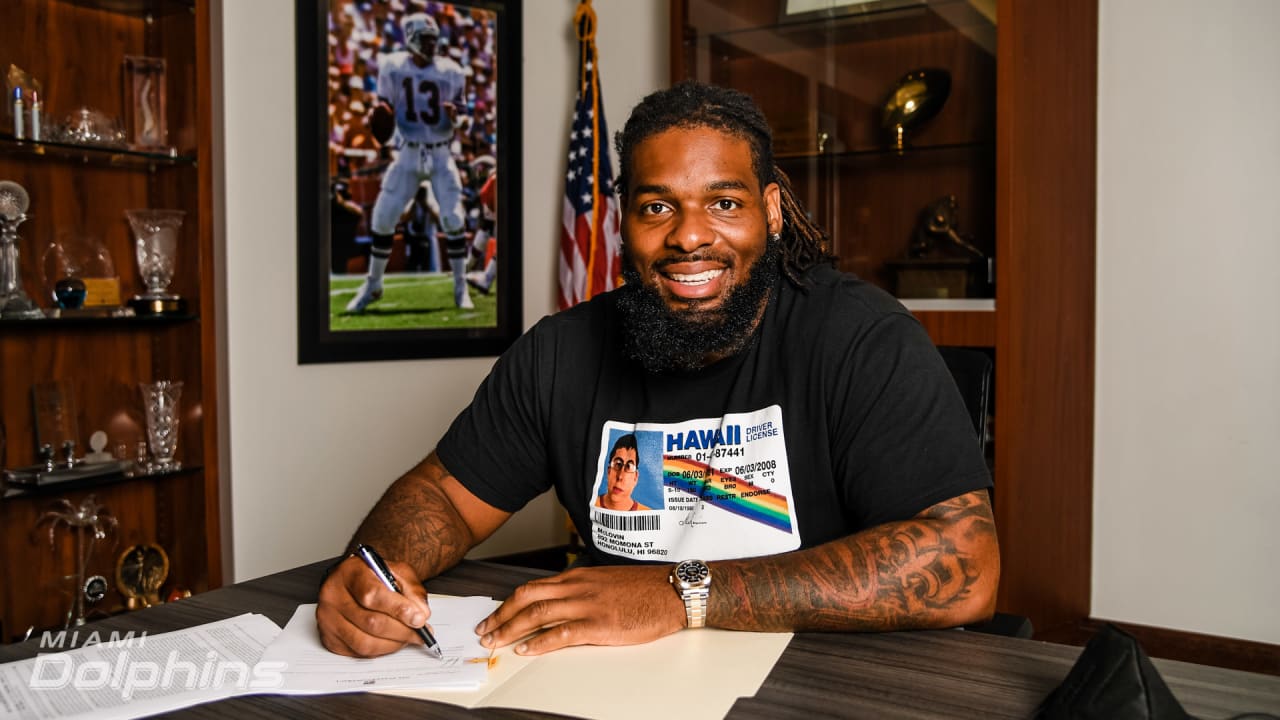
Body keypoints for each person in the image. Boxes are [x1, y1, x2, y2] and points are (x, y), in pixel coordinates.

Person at [317, 81, 999, 659]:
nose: (690, 234)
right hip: (614, 683)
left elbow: (964, 563)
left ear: (770, 212)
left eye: (724, 203)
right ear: (624, 224)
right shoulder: (562, 353)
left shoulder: (862, 338)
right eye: (657, 207)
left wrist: (682, 591)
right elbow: (440, 497)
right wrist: (377, 570)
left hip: (813, 679)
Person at [346, 11, 474, 314]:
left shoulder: (452, 70)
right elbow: (384, 109)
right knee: (382, 218)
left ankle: (460, 286)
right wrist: (375, 118)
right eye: (425, 40)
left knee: (454, 219)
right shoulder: (392, 66)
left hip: (442, 152)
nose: (431, 46)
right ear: (411, 40)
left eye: (433, 40)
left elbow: (466, 120)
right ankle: (373, 284)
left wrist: (459, 119)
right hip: (408, 152)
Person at [595, 433, 651, 512]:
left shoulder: (647, 513)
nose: (620, 476)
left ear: (635, 477)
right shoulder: (590, 505)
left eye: (629, 467)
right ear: (608, 471)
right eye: (618, 464)